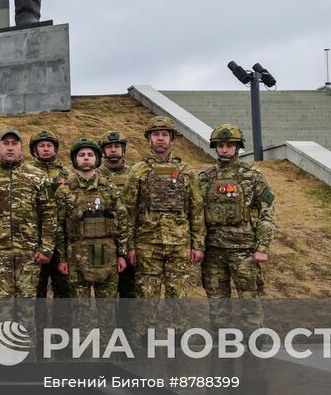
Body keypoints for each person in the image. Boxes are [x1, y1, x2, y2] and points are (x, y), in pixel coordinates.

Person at [119, 117, 203, 299]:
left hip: (179, 246)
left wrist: (198, 245)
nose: (160, 138)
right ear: (149, 139)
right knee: (147, 301)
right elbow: (128, 211)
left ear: (171, 139)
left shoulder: (186, 171)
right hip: (147, 246)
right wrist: (130, 247)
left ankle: (176, 330)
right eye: (155, 134)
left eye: (165, 134)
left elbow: (196, 210)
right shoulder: (138, 171)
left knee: (178, 301)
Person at [197, 124, 277, 306]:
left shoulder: (253, 176)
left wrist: (262, 248)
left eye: (229, 145)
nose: (224, 149)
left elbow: (268, 212)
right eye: (220, 145)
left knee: (250, 307)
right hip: (213, 252)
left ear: (238, 147)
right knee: (217, 307)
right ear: (215, 147)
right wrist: (197, 246)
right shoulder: (204, 177)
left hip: (244, 251)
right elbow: (196, 214)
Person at [0, 129, 53, 299]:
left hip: (29, 252)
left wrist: (46, 247)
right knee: (2, 309)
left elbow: (48, 213)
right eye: (6, 144)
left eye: (14, 144)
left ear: (21, 147)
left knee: (27, 308)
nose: (10, 148)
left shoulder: (37, 177)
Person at [54, 139, 130, 298]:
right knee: (81, 313)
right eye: (81, 155)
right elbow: (59, 227)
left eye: (90, 154)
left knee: (106, 312)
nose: (86, 158)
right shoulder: (64, 191)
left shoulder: (110, 189)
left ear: (97, 159)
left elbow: (123, 223)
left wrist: (122, 255)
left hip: (107, 255)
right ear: (75, 159)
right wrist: (62, 259)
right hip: (76, 257)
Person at [30, 129, 71, 299]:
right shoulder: (28, 172)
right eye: (41, 146)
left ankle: (62, 325)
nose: (46, 149)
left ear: (55, 149)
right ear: (35, 150)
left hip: (62, 237)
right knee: (36, 287)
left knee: (63, 287)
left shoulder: (66, 174)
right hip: (36, 237)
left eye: (49, 145)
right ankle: (38, 326)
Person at [98, 130, 137, 298]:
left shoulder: (134, 174)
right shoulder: (95, 175)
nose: (113, 150)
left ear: (123, 150)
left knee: (130, 291)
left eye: (117, 146)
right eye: (109, 147)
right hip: (104, 241)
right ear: (103, 151)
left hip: (131, 240)